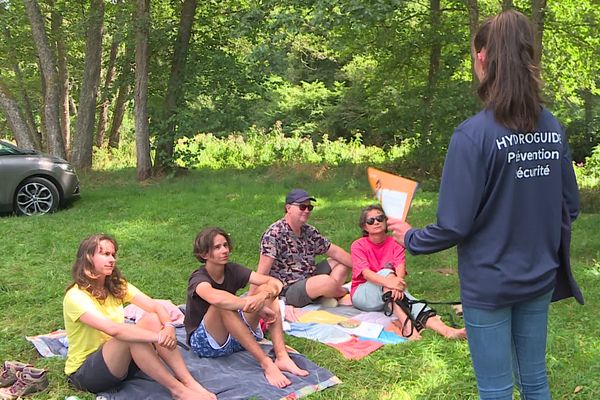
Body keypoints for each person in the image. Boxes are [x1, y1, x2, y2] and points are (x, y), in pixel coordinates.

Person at [388, 10, 580, 400]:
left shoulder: (472, 136)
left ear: (481, 58)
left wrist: (411, 237)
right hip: (539, 275)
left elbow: (454, 224)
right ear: (530, 57)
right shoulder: (552, 127)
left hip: (489, 283)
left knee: (494, 389)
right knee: (535, 382)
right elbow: (569, 205)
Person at [63, 234, 215, 400]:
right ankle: (178, 390)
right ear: (88, 258)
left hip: (121, 361)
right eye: (105, 254)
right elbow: (113, 330)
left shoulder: (116, 285)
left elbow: (155, 306)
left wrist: (169, 327)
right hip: (87, 372)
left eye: (113, 254)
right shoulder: (75, 296)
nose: (112, 259)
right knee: (128, 335)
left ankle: (188, 381)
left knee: (151, 319)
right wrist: (158, 337)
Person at [184, 227, 309, 388]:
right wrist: (251, 305)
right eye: (217, 247)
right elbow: (216, 298)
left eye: (225, 245)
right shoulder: (198, 278)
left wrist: (261, 297)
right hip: (207, 343)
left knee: (270, 297)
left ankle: (281, 357)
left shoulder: (232, 269)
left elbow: (275, 283)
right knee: (221, 306)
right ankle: (266, 364)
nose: (224, 250)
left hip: (235, 335)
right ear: (204, 254)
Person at [351, 205, 466, 340]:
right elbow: (366, 274)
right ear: (364, 227)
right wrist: (394, 283)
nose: (376, 222)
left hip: (389, 292)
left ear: (386, 221)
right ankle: (407, 326)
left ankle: (447, 331)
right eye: (370, 221)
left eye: (380, 218)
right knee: (386, 273)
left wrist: (397, 285)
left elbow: (400, 268)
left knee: (413, 302)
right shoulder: (358, 245)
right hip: (363, 295)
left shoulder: (395, 242)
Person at [254, 188, 352, 307]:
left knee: (340, 262)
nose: (306, 211)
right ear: (288, 208)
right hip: (289, 289)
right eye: (302, 207)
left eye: (309, 207)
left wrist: (365, 269)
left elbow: (335, 251)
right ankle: (343, 293)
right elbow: (261, 273)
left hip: (310, 277)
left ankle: (325, 295)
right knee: (325, 281)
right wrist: (251, 299)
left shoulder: (309, 231)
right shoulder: (274, 234)